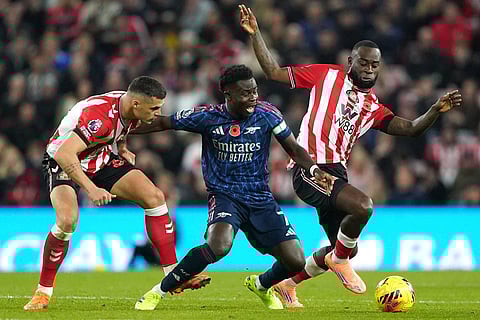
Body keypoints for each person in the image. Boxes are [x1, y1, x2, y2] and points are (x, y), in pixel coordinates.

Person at [238, 4, 462, 308]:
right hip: (310, 167)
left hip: (337, 173)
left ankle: (279, 285)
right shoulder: (325, 76)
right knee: (362, 207)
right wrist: (256, 35)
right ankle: (340, 262)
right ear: (350, 62)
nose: (369, 68)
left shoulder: (373, 107)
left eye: (375, 65)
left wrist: (434, 110)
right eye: (364, 62)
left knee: (341, 247)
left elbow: (410, 129)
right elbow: (273, 72)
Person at [130, 64, 336, 311]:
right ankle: (157, 292)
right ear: (228, 95)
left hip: (260, 198)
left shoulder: (268, 114)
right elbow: (162, 123)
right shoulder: (207, 116)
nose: (253, 97)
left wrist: (314, 170)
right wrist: (120, 130)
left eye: (254, 91)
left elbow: (294, 149)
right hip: (225, 195)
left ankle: (260, 285)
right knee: (219, 246)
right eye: (245, 93)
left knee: (295, 260)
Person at [24, 76, 209, 311]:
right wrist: (91, 189)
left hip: (99, 158)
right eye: (154, 108)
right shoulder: (99, 118)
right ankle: (43, 292)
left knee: (155, 198)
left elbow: (122, 127)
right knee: (66, 221)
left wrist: (122, 148)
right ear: (136, 104)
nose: (157, 112)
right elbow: (64, 153)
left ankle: (173, 275)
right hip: (63, 162)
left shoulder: (129, 105)